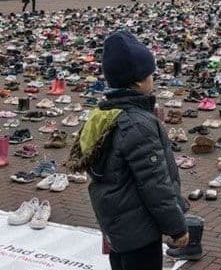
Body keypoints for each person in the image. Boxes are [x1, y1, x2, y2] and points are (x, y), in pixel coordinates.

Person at [67, 31, 192, 270]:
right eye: (150, 74)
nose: (153, 78)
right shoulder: (138, 124)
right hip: (140, 228)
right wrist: (176, 226)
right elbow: (155, 184)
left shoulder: (103, 115)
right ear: (137, 80)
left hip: (117, 223)